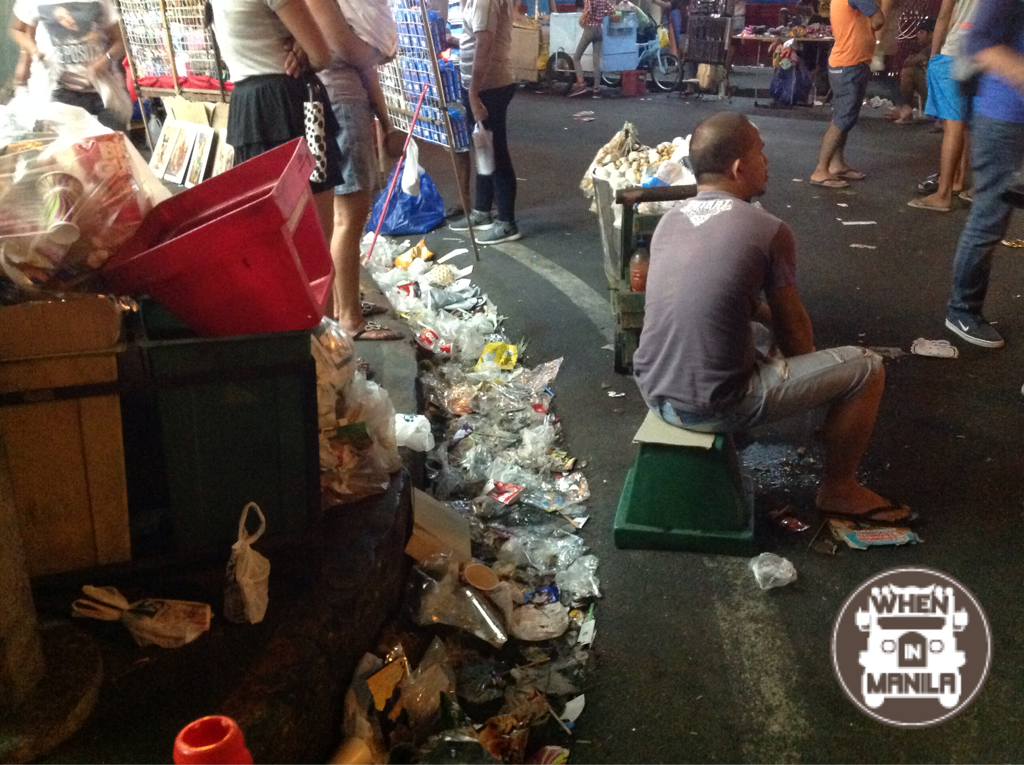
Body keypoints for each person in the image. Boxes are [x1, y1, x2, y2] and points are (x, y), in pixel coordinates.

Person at [634, 112, 912, 524]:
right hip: (708, 408)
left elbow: (723, 302)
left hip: (655, 391)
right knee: (866, 369)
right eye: (761, 153)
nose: (767, 162)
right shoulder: (768, 229)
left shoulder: (669, 221)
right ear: (738, 168)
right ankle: (839, 489)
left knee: (757, 333)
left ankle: (744, 433)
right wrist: (819, 389)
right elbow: (797, 336)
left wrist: (767, 326)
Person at [211, 0, 374, 324]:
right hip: (291, 106)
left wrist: (303, 43)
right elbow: (321, 54)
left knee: (271, 244)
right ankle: (324, 343)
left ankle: (296, 338)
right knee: (314, 246)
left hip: (249, 109)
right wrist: (305, 44)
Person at [320, 1, 406, 340]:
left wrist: (386, 121)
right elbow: (352, 52)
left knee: (343, 216)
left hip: (344, 102)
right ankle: (350, 320)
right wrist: (378, 50)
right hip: (341, 104)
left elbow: (365, 65)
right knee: (349, 217)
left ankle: (345, 305)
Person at [943, 0, 1024, 349]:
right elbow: (980, 41)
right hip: (1004, 117)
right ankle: (962, 310)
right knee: (990, 218)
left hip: (1008, 114)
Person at [448, 0, 522, 245]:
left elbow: (484, 44)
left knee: (495, 152)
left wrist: (473, 93)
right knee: (483, 148)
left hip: (489, 88)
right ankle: (482, 210)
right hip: (479, 87)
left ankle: (507, 222)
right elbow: (474, 39)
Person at [9, 0, 129, 130]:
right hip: (58, 89)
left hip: (104, 90)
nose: (70, 20)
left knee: (113, 139)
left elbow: (121, 40)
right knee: (70, 140)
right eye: (62, 18)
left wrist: (105, 59)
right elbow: (17, 30)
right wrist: (32, 50)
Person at [907, 0, 978, 212]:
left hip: (956, 51)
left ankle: (943, 194)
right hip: (985, 53)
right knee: (966, 124)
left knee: (953, 125)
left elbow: (944, 16)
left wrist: (933, 56)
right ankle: (958, 180)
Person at [809, 0, 885, 188]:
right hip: (850, 63)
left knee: (843, 117)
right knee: (843, 118)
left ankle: (836, 164)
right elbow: (878, 20)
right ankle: (820, 170)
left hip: (846, 62)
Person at [890, 16, 934, 124]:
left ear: (932, 34)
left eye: (921, 32)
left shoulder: (934, 47)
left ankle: (906, 110)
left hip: (940, 95)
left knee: (908, 72)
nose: (917, 35)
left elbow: (908, 63)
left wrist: (912, 59)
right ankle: (905, 109)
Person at [568, 0, 615, 97]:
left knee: (576, 57)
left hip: (589, 29)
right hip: (600, 30)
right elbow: (612, 10)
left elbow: (587, 11)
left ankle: (581, 84)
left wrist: (580, 21)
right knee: (596, 61)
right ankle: (596, 89)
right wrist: (603, 16)